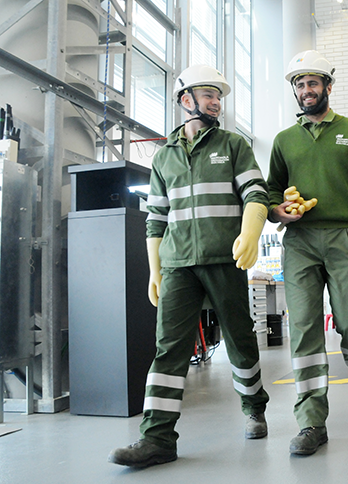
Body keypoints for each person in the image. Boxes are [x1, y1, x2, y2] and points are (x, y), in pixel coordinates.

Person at [108, 65, 271, 467]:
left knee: (239, 339)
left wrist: (250, 233)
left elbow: (256, 193)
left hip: (224, 259)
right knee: (168, 348)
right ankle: (157, 438)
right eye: (208, 94)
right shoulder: (164, 156)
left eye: (219, 96)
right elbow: (156, 219)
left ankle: (254, 407)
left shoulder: (233, 145)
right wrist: (155, 269)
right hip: (178, 264)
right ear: (186, 100)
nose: (216, 102)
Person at [267, 50, 348, 455]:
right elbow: (271, 191)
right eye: (300, 84)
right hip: (300, 241)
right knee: (303, 327)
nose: (306, 90)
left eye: (313, 83)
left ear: (328, 86)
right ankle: (311, 421)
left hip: (347, 238)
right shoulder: (284, 140)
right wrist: (277, 211)